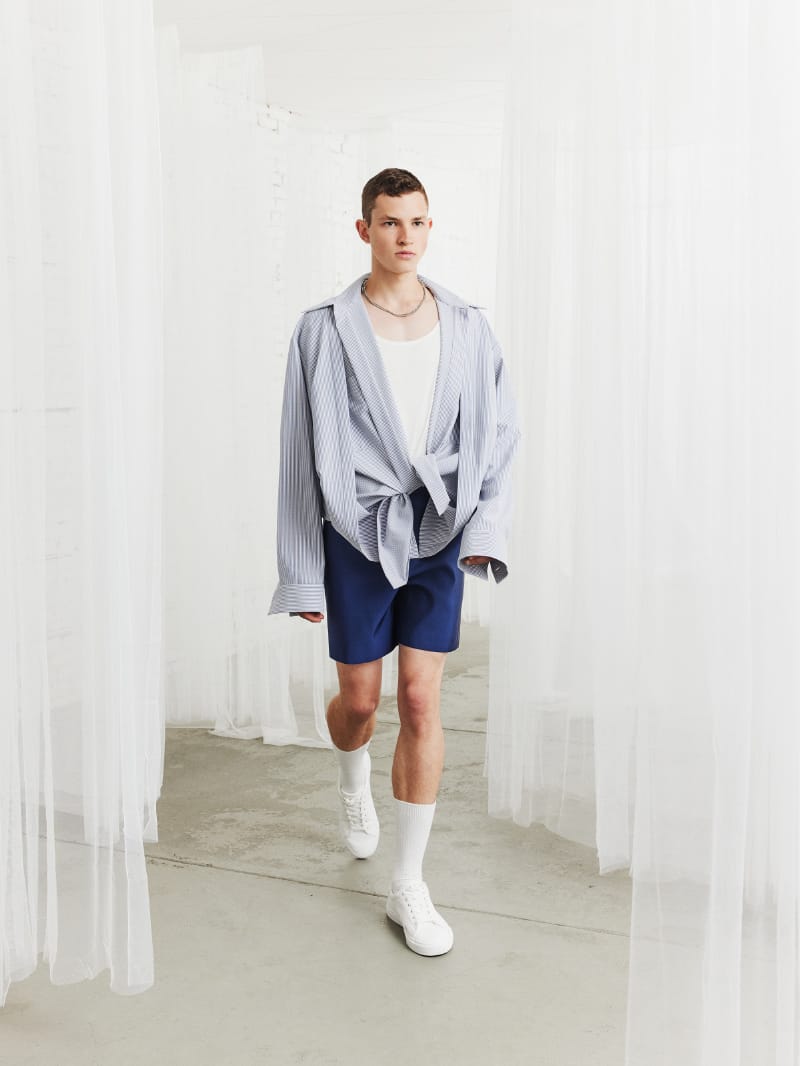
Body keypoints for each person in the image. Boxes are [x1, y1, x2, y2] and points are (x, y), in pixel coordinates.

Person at [269, 167, 519, 956]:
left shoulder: (468, 326)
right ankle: (352, 776)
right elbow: (298, 453)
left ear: (429, 227)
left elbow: (500, 435)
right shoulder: (322, 330)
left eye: (417, 222)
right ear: (364, 230)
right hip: (357, 530)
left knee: (418, 698)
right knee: (361, 702)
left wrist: (486, 527)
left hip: (439, 525)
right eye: (389, 222)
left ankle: (408, 883)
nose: (405, 236)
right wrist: (300, 570)